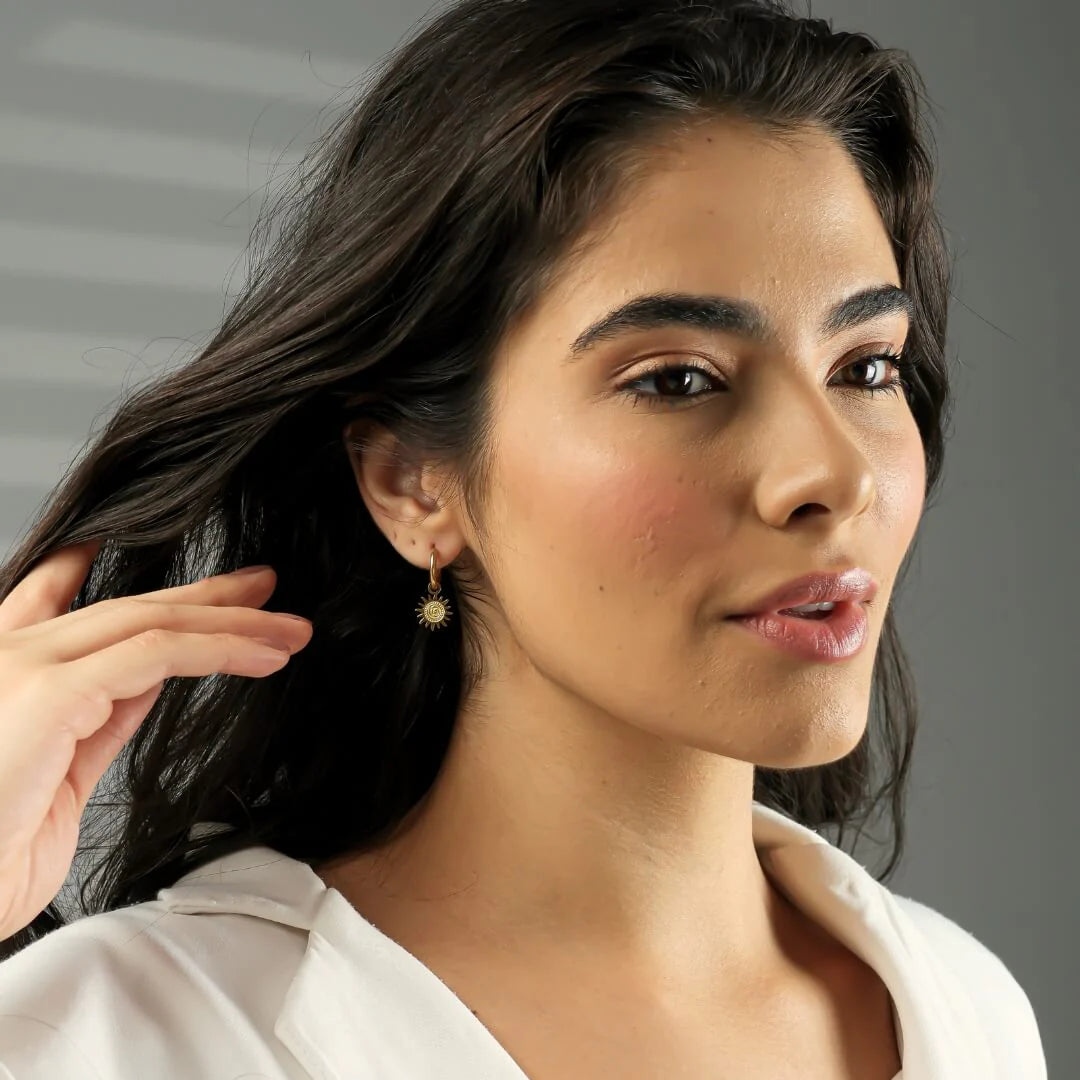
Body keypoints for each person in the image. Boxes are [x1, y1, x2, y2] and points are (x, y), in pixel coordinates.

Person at [0, 0, 1048, 1076]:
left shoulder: (964, 1012)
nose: (835, 473)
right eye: (679, 380)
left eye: (865, 367)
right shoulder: (123, 1034)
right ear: (414, 483)